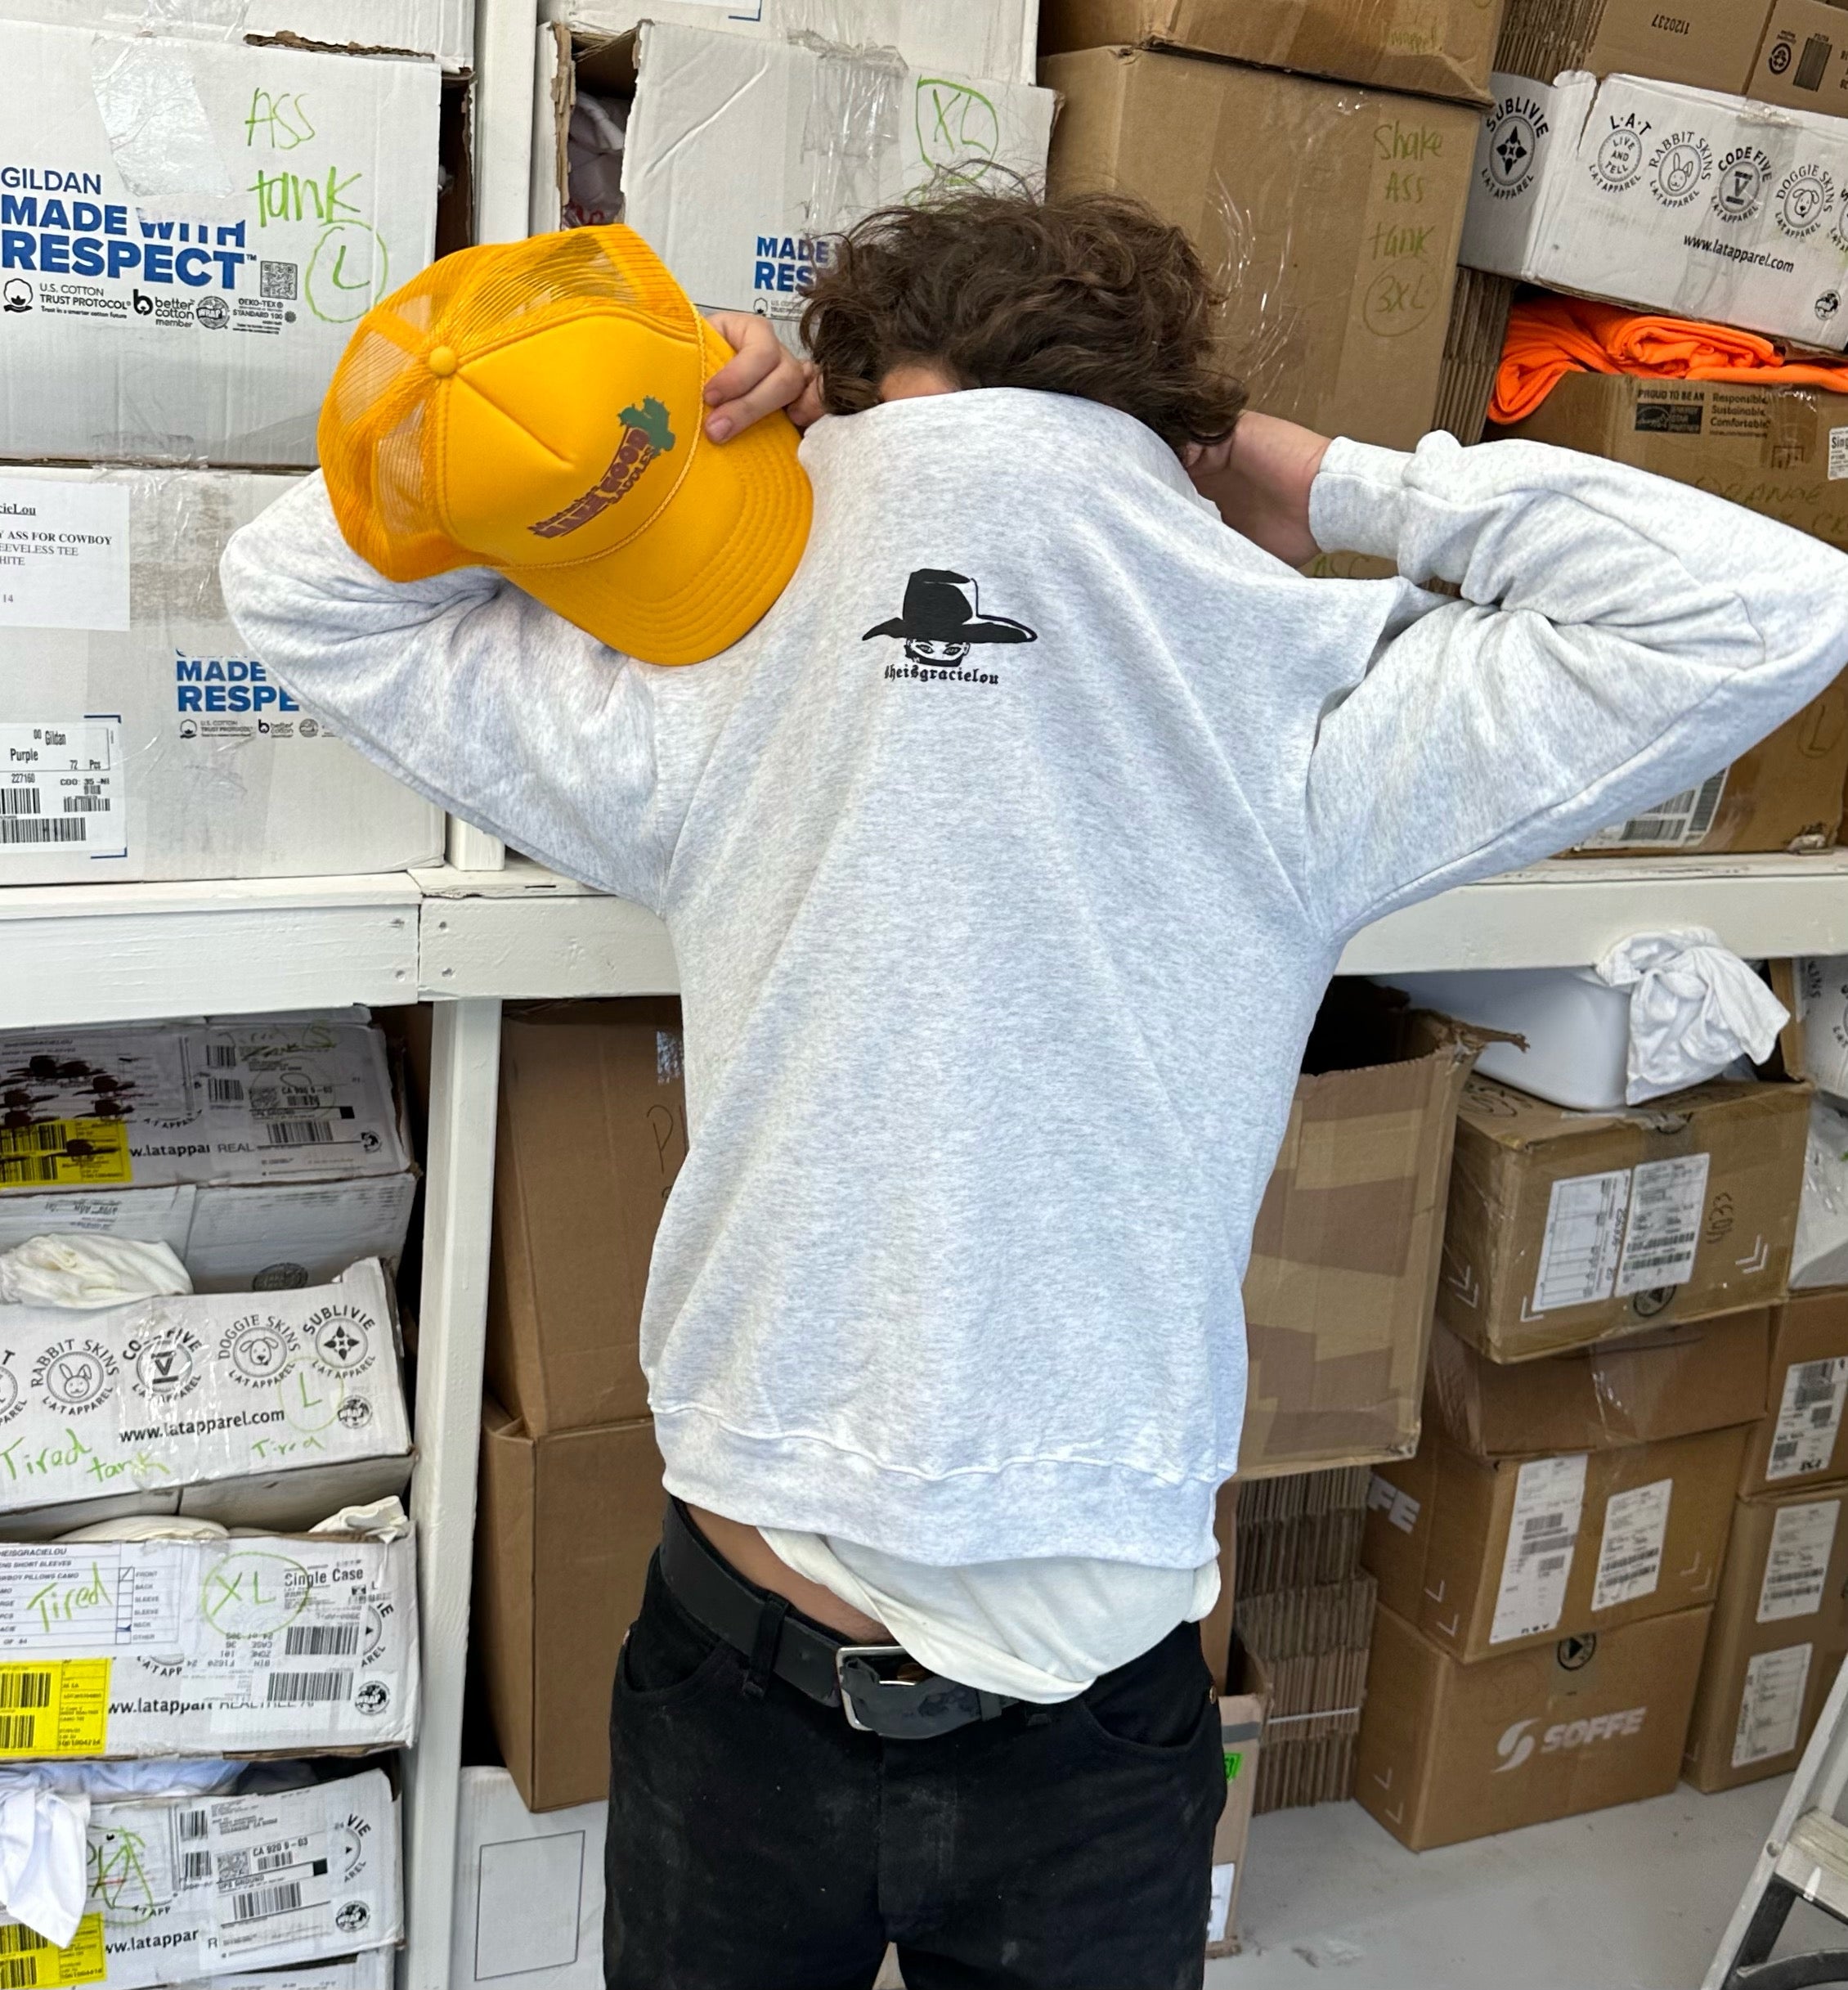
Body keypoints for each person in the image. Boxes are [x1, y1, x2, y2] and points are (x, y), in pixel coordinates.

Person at [221, 191, 1848, 1990]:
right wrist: (649, 426)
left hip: (1064, 1726)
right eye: (918, 482)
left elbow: (1777, 611)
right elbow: (1756, 609)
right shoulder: (761, 680)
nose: (977, 531)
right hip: (757, 1673)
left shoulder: (1262, 716)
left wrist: (1297, 479)